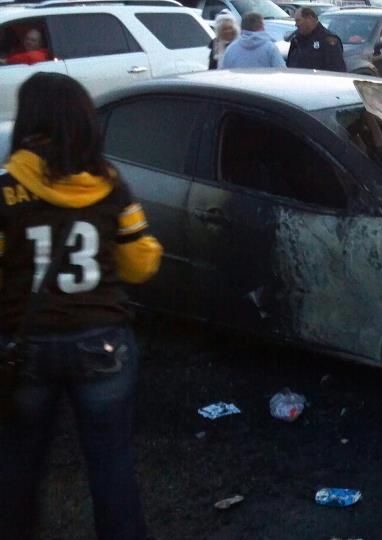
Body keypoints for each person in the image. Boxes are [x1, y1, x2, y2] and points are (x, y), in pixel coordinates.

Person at [0, 72, 162, 540]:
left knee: (18, 464)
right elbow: (141, 265)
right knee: (111, 465)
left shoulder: (6, 186)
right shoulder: (110, 184)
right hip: (103, 344)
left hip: (25, 347)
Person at [286, 7, 346, 72]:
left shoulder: (327, 40)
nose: (296, 24)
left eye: (298, 20)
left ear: (309, 19)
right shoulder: (296, 39)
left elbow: (337, 70)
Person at [219, 11, 285, 69]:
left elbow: (223, 74)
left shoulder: (231, 49)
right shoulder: (270, 48)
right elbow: (281, 72)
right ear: (261, 26)